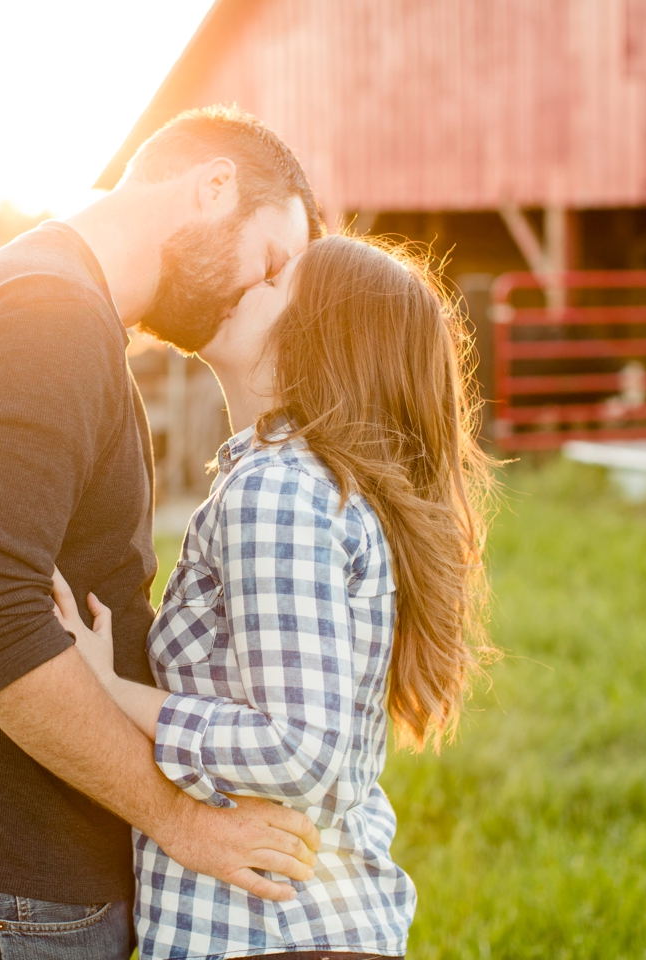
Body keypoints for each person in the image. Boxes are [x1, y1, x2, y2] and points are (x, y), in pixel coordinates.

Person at [0, 106, 328, 960]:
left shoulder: (56, 305)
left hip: (16, 879)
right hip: (10, 886)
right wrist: (182, 823)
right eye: (270, 264)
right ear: (213, 185)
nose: (266, 299)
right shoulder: (47, 319)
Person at [53, 235, 498, 960]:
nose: (248, 278)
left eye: (274, 279)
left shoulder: (279, 491)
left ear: (318, 336)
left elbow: (297, 748)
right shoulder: (301, 486)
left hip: (267, 934)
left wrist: (106, 689)